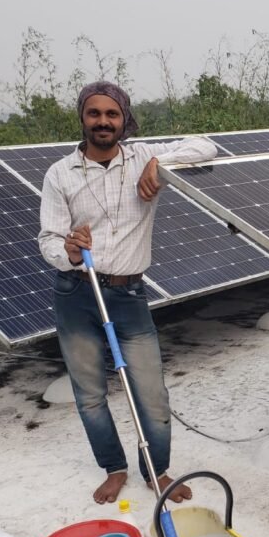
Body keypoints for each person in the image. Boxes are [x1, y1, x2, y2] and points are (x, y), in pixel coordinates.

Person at [38, 81, 217, 504]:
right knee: (90, 393)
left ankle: (157, 470)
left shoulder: (141, 157)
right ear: (83, 118)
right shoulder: (60, 173)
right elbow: (48, 238)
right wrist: (68, 252)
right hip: (76, 292)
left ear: (124, 119)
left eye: (111, 114)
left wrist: (159, 162)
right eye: (94, 113)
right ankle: (114, 468)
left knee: (151, 393)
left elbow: (206, 146)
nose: (103, 121)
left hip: (128, 294)